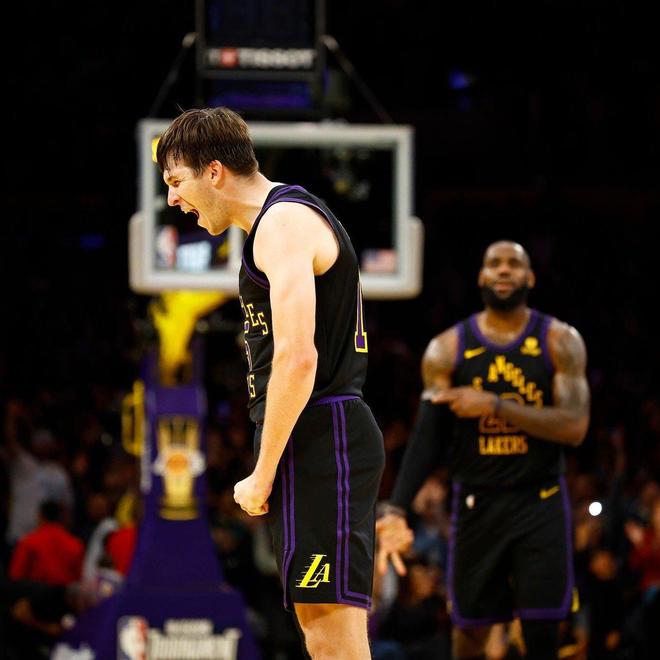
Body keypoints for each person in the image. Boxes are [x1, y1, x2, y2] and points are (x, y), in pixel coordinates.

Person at [156, 107, 384, 659]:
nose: (172, 199)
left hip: (324, 435)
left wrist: (262, 474)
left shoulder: (282, 223)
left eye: (176, 181)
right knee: (323, 638)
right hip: (316, 440)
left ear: (214, 172)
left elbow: (298, 358)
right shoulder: (275, 224)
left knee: (334, 642)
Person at [377, 240, 590, 660]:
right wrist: (398, 508)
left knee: (543, 632)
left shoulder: (560, 340)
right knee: (469, 633)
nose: (504, 270)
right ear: (481, 276)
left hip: (540, 501)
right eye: (494, 263)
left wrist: (494, 405)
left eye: (514, 264)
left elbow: (575, 427)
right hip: (477, 503)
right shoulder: (447, 348)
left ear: (531, 277)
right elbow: (427, 435)